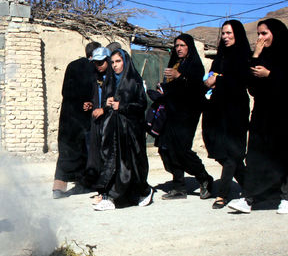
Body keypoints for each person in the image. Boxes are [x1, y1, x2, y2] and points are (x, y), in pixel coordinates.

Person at [228, 18, 288, 214]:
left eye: (265, 33)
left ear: (275, 33)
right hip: (262, 113)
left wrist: (270, 75)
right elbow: (251, 87)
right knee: (255, 155)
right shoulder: (261, 56)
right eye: (258, 34)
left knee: (282, 155)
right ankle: (249, 198)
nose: (260, 38)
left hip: (283, 114)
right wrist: (255, 55)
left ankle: (286, 197)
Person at [92, 49, 153, 211]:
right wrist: (108, 102)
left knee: (130, 165)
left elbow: (141, 105)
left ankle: (143, 192)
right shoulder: (110, 80)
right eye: (112, 62)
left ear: (125, 62)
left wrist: (123, 106)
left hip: (130, 131)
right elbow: (106, 101)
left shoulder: (134, 80)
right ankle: (111, 197)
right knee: (112, 163)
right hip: (114, 129)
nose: (115, 65)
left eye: (118, 61)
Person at [156, 33, 214, 200]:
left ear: (189, 47)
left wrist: (179, 76)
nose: (179, 48)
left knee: (182, 150)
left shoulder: (195, 64)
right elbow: (172, 87)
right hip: (172, 112)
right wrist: (163, 88)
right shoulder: (175, 63)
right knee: (167, 149)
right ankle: (179, 186)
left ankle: (204, 178)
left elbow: (196, 88)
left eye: (182, 45)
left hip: (188, 114)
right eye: (177, 46)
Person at [202, 20, 252, 209]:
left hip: (235, 109)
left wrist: (218, 80)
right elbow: (211, 75)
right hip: (217, 109)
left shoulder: (244, 55)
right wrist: (209, 81)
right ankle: (251, 187)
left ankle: (222, 194)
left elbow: (241, 80)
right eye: (223, 33)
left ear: (237, 34)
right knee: (224, 152)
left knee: (233, 152)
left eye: (229, 33)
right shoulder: (220, 56)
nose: (225, 36)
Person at [52, 41, 100, 199]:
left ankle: (58, 187)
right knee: (84, 149)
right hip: (84, 116)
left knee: (66, 150)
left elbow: (65, 90)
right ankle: (84, 183)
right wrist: (89, 103)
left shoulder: (72, 65)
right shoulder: (94, 67)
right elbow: (93, 91)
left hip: (67, 115)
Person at [86, 46, 114, 198]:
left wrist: (104, 109)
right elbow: (96, 95)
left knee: (109, 154)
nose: (99, 65)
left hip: (111, 120)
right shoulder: (96, 77)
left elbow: (117, 98)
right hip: (98, 121)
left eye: (102, 62)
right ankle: (101, 186)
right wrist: (91, 104)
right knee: (97, 153)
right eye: (96, 63)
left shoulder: (114, 77)